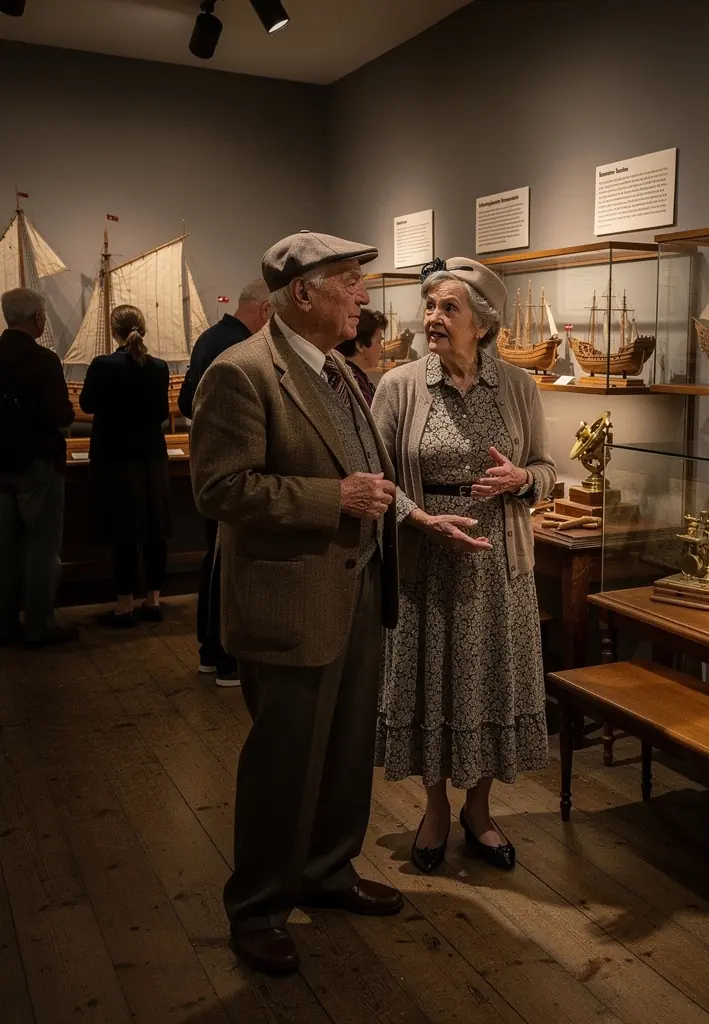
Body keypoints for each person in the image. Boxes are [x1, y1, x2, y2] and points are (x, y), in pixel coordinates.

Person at [189, 230, 402, 976]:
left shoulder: (339, 371)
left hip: (357, 588)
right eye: (350, 280)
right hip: (291, 602)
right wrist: (332, 497)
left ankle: (327, 872)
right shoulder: (240, 373)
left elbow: (366, 468)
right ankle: (258, 908)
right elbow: (219, 489)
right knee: (284, 761)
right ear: (302, 292)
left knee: (346, 752)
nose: (364, 294)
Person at [372, 256, 555, 875]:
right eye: (430, 306)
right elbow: (372, 482)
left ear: (482, 324)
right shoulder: (400, 387)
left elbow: (550, 473)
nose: (433, 317)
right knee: (431, 684)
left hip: (500, 570)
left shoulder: (520, 388)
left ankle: (479, 810)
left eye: (449, 308)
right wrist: (422, 521)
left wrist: (523, 477)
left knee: (491, 683)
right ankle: (433, 811)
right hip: (428, 564)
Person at [178, 279, 271, 686]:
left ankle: (209, 651)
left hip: (212, 467)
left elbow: (186, 402)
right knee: (225, 563)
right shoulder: (239, 349)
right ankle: (224, 657)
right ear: (266, 309)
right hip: (231, 474)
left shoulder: (208, 338)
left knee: (213, 562)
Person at [80, 305, 173, 627]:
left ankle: (124, 605)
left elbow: (87, 404)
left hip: (114, 460)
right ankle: (154, 600)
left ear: (114, 331)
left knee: (123, 533)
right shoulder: (159, 368)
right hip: (152, 457)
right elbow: (162, 412)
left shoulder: (103, 365)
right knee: (154, 531)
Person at [0, 287, 77, 648]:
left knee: (4, 550)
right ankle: (39, 625)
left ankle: (4, 625)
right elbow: (61, 414)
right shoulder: (45, 361)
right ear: (36, 318)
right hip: (39, 467)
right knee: (42, 551)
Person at [335, 306, 386, 405]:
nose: (382, 349)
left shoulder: (353, 376)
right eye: (379, 342)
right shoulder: (352, 382)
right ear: (360, 345)